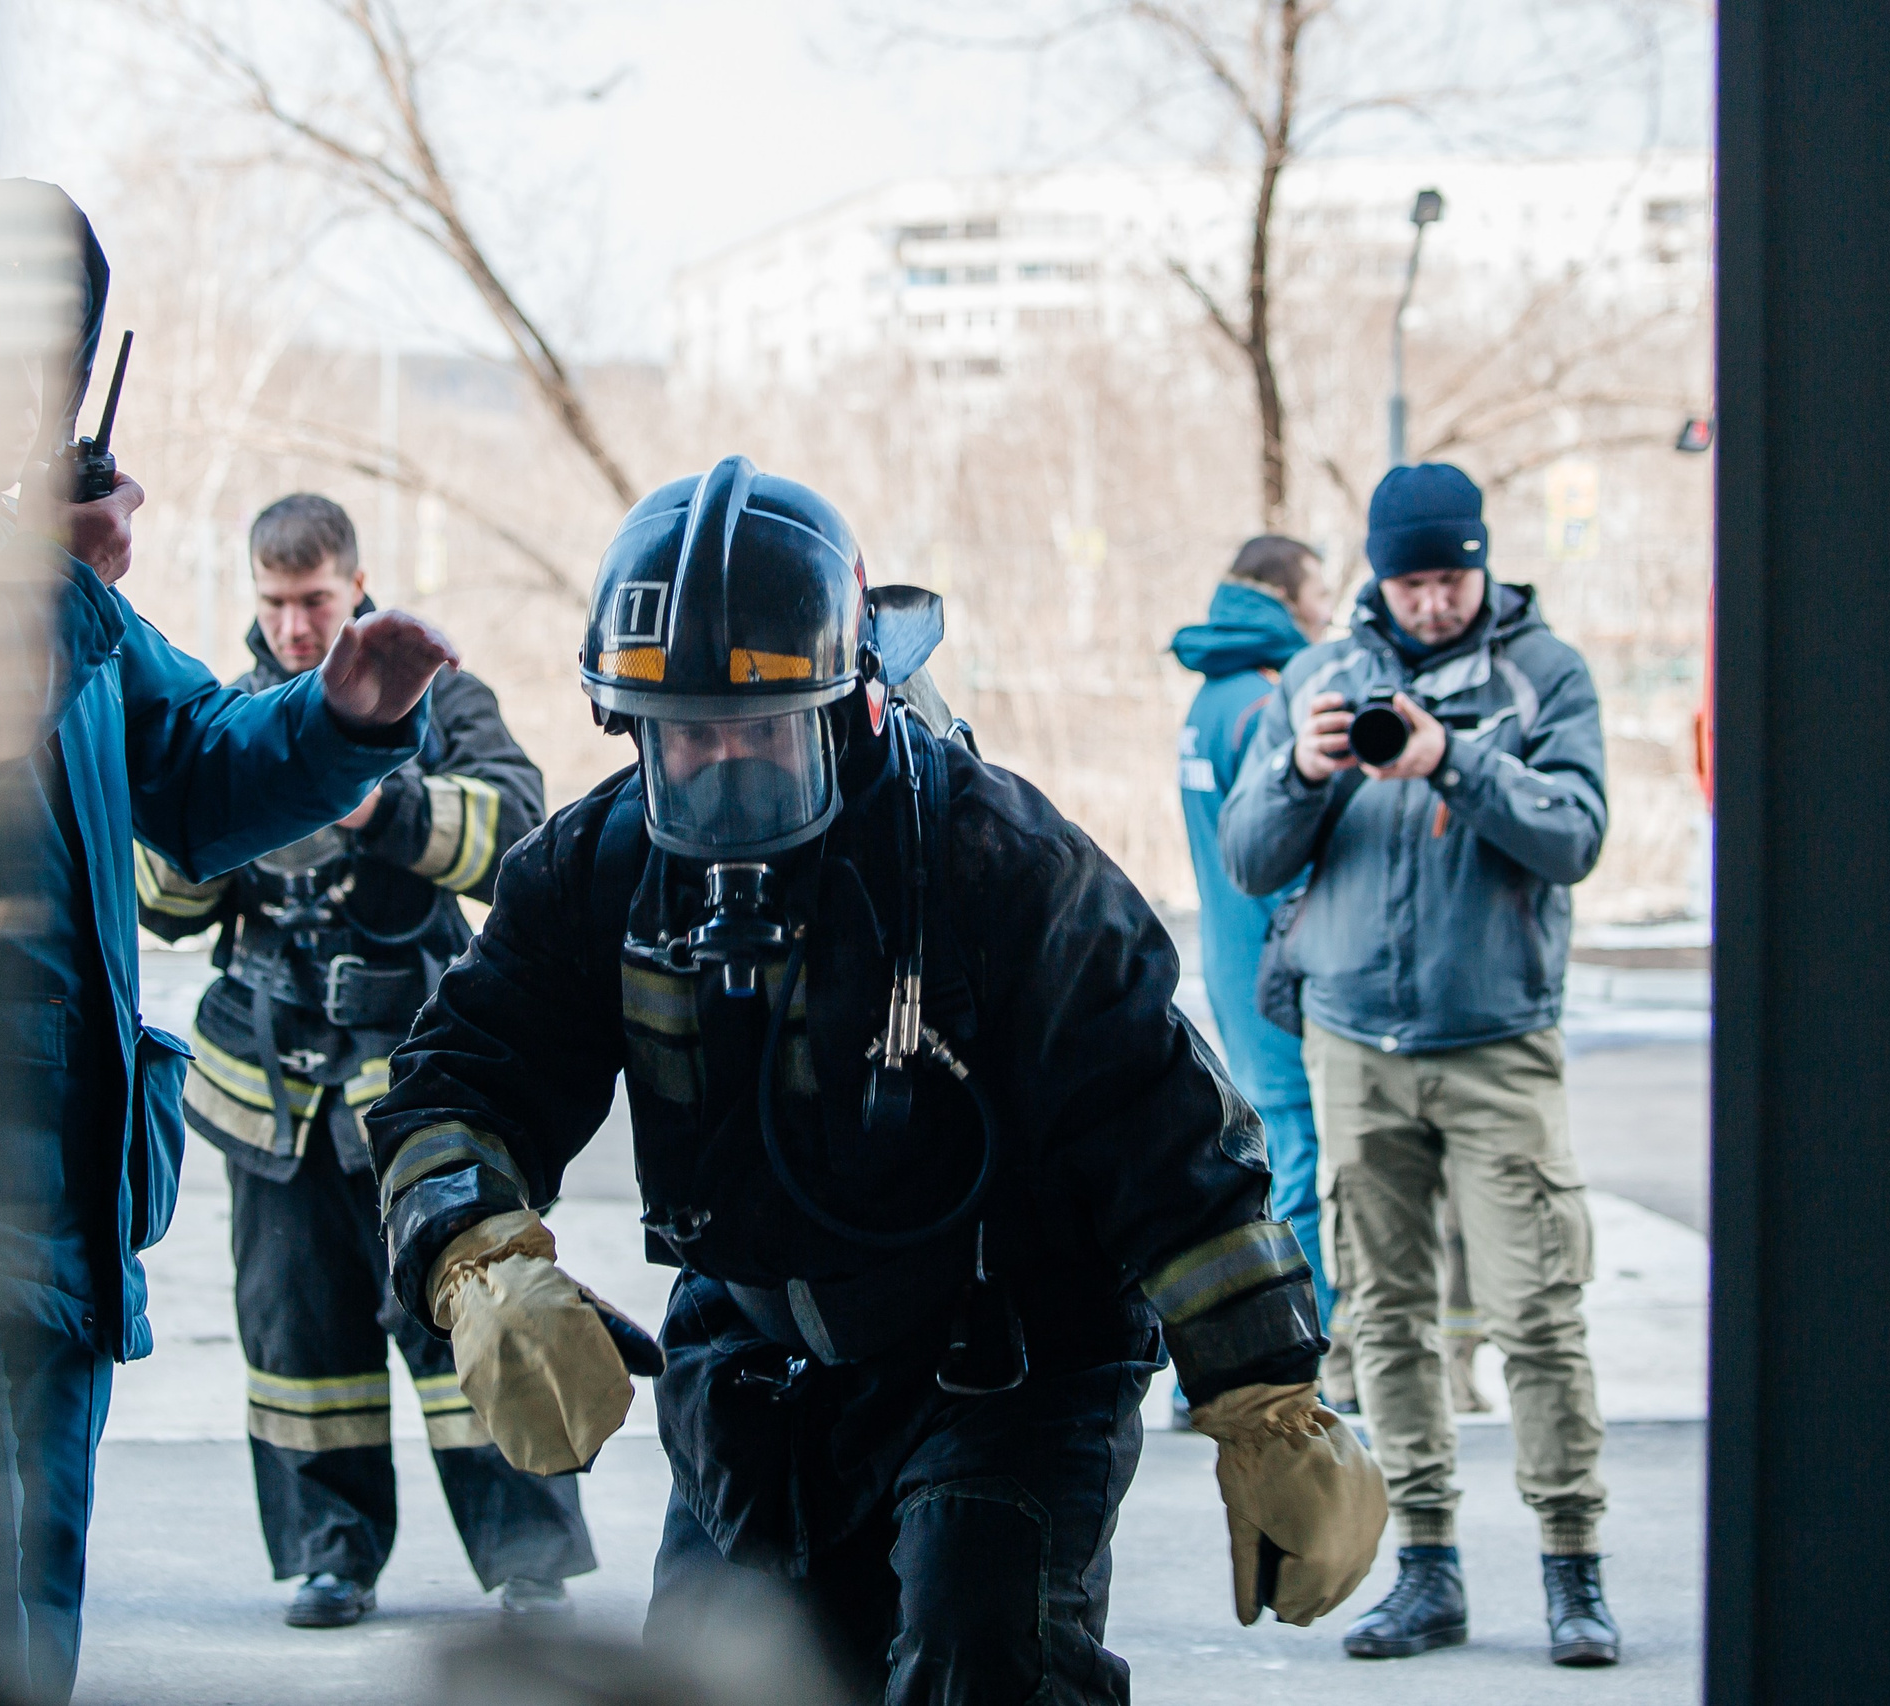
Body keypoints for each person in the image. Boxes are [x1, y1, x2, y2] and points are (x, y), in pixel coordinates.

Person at [363, 457, 1386, 1704]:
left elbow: (1167, 1139)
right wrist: (478, 1257)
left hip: (1005, 1358)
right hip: (753, 1361)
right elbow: (457, 1077)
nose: (720, 766)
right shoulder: (592, 868)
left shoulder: (996, 861)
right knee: (720, 1679)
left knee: (978, 1655)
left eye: (758, 729)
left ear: (852, 710)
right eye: (683, 734)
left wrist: (1265, 1394)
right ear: (627, 723)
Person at [0, 185, 459, 1704]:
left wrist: (348, 718)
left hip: (51, 1231)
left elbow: (202, 773)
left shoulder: (61, 603)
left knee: (24, 1612)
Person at [135, 493, 588, 1628]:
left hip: (416, 1083)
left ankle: (526, 1556)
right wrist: (218, 818)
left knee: (470, 1313)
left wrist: (384, 803)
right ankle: (332, 1552)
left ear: (356, 586)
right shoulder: (227, 716)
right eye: (277, 604)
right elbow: (160, 897)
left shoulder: (436, 695)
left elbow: (519, 835)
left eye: (316, 601)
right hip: (272, 1092)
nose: (296, 627)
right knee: (299, 1338)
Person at [1219, 462, 1620, 1667]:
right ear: (1378, 575)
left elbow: (1575, 834)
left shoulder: (1541, 674)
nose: (1434, 600)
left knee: (1537, 1311)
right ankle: (1426, 1567)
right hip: (1354, 1043)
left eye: (1450, 576)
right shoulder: (1323, 676)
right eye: (1411, 578)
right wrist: (1301, 768)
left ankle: (1572, 1568)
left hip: (1496, 1042)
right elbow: (1245, 855)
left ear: (1482, 563)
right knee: (1381, 1318)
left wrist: (1454, 757)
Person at [1170, 536, 1340, 1396]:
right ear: (1281, 596)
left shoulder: (1209, 699)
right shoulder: (1261, 707)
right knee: (1299, 1160)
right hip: (1277, 968)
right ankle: (1300, 1358)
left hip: (1231, 963)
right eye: (1319, 593)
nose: (1328, 610)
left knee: (1258, 1153)